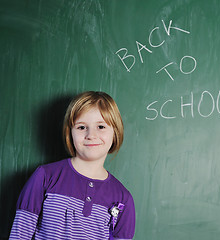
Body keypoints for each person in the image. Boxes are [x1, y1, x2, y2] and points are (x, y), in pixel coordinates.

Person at [9, 91, 135, 240]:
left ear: (115, 133)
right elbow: (20, 234)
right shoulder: (45, 176)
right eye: (81, 127)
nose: (91, 135)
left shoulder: (123, 197)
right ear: (70, 132)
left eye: (101, 127)